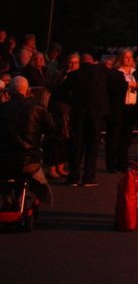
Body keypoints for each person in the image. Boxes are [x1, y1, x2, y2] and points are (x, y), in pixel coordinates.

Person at [0, 75, 56, 204]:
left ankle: (7, 199)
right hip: (29, 160)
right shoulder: (38, 108)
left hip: (3, 159)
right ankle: (36, 201)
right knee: (42, 185)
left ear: (8, 92)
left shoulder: (2, 109)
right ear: (28, 91)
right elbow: (52, 129)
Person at [61, 53, 110, 186]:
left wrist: (73, 101)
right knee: (93, 146)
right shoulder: (102, 74)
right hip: (96, 113)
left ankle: (73, 176)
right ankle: (89, 176)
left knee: (77, 144)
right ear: (93, 61)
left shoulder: (74, 75)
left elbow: (61, 93)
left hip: (79, 113)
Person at [108, 49, 138, 172]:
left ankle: (122, 162)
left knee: (126, 138)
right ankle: (111, 163)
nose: (128, 59)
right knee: (115, 136)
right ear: (121, 58)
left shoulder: (135, 73)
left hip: (131, 107)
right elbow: (113, 87)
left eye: (130, 57)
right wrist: (127, 85)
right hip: (119, 107)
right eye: (126, 57)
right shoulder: (116, 73)